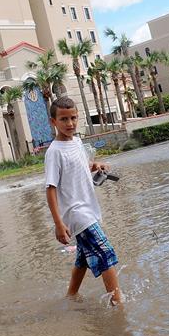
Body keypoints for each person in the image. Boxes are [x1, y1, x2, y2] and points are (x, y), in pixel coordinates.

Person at [44, 96, 122, 305]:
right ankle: (118, 305)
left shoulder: (77, 142)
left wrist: (96, 166)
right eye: (64, 119)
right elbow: (50, 188)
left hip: (89, 208)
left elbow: (79, 168)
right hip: (77, 213)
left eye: (73, 118)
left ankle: (71, 297)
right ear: (53, 122)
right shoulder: (54, 152)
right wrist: (59, 224)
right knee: (105, 252)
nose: (69, 124)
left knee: (83, 258)